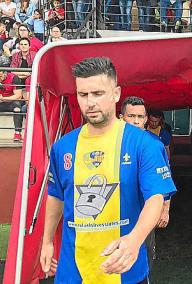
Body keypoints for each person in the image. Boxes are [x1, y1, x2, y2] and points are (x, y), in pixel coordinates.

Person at [39, 57, 176, 283]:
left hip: (126, 269)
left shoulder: (145, 144)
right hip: (74, 271)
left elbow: (155, 198)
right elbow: (56, 195)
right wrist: (46, 242)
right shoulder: (63, 147)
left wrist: (134, 240)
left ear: (115, 93)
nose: (90, 102)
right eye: (83, 95)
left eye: (98, 93)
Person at [119, 96, 172, 268]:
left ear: (146, 119)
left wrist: (165, 210)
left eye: (140, 117)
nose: (136, 121)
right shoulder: (110, 142)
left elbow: (164, 180)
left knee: (144, 255)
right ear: (121, 118)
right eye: (131, 116)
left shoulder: (154, 144)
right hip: (114, 213)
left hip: (145, 211)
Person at [0, 57, 24, 142]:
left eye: (1, 76)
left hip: (11, 102)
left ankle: (17, 133)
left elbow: (18, 96)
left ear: (5, 72)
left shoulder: (14, 78)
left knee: (17, 106)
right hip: (1, 102)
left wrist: (4, 99)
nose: (0, 78)